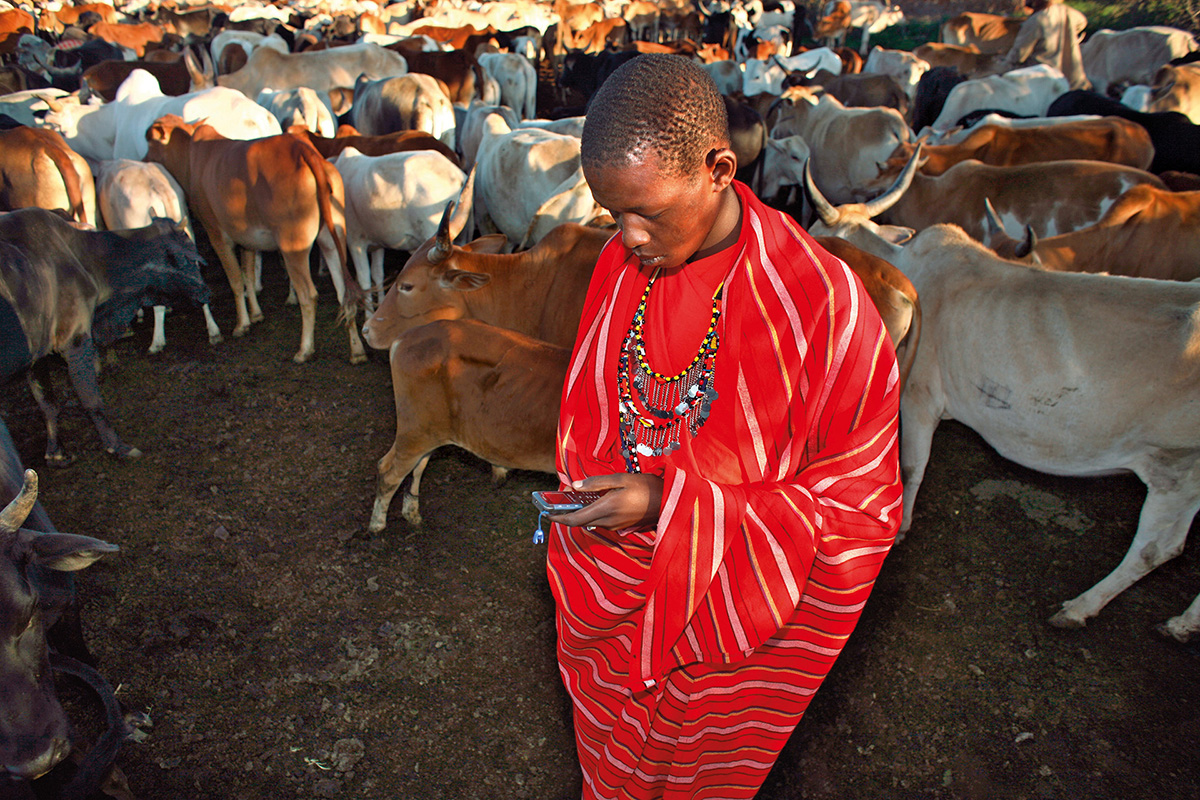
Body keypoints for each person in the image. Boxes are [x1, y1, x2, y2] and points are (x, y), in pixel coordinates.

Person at [545, 54, 902, 799]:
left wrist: (668, 507)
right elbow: (587, 412)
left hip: (730, 627)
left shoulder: (821, 307)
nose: (629, 236)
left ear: (719, 167)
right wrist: (595, 508)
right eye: (612, 213)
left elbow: (858, 513)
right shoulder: (619, 266)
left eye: (648, 211)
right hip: (613, 589)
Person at [1001, 0, 1091, 90]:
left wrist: (1002, 67)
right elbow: (1082, 22)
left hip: (1046, 86)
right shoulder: (1070, 13)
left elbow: (1018, 56)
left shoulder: (1035, 21)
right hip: (1074, 84)